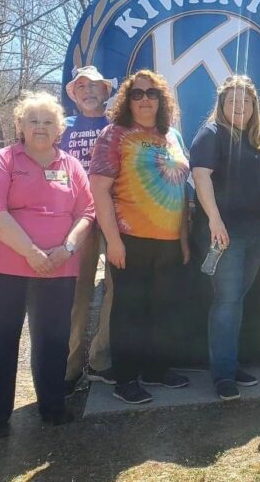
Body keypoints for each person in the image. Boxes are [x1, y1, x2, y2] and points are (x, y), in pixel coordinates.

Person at [0, 91, 95, 435]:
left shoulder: (70, 165)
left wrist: (67, 248)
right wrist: (30, 251)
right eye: (33, 121)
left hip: (59, 266)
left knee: (54, 339)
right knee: (0, 338)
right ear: (20, 126)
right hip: (4, 266)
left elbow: (87, 211)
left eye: (48, 122)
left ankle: (53, 407)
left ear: (59, 130)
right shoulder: (3, 160)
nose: (40, 128)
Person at [89, 69, 191, 405]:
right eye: (137, 94)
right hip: (129, 240)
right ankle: (126, 378)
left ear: (162, 101)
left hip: (169, 242)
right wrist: (113, 240)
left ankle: (156, 370)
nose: (145, 100)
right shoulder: (114, 135)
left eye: (152, 94)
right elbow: (99, 191)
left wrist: (184, 238)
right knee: (129, 311)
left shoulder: (172, 135)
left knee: (161, 309)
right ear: (127, 100)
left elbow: (181, 189)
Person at [191, 75, 260, 401]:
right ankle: (223, 375)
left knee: (237, 299)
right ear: (222, 105)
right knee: (226, 301)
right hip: (224, 236)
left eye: (245, 101)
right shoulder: (211, 134)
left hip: (257, 234)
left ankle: (230, 363)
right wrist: (215, 221)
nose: (239, 106)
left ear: (255, 106)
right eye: (232, 101)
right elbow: (200, 178)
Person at [60, 66, 117, 395]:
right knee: (76, 292)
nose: (88, 91)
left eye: (95, 86)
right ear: (73, 94)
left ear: (105, 91)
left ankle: (100, 359)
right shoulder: (61, 128)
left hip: (113, 214)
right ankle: (68, 367)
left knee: (116, 286)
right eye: (81, 86)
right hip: (74, 217)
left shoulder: (118, 126)